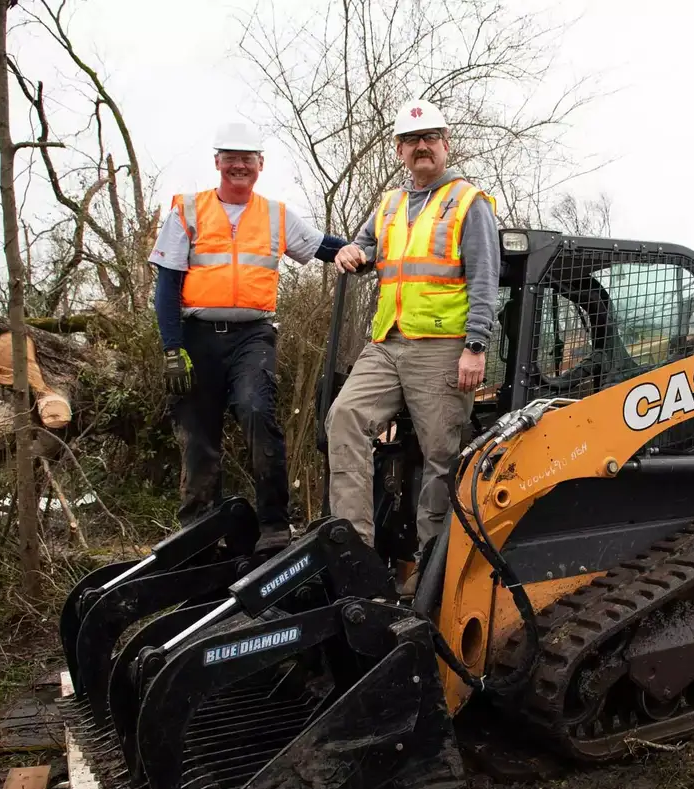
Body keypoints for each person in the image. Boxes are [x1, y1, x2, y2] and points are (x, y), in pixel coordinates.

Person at [149, 121, 349, 553]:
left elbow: (322, 247)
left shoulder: (275, 215)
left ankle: (274, 525)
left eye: (247, 159)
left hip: (252, 336)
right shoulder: (187, 210)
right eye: (230, 158)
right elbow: (166, 284)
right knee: (199, 435)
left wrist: (364, 250)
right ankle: (198, 530)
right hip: (196, 335)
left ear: (260, 165)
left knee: (257, 411)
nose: (238, 166)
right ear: (217, 162)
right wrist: (171, 348)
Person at [326, 98, 500, 582]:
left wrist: (476, 346)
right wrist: (353, 253)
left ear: (445, 145)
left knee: (440, 458)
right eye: (410, 141)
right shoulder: (389, 204)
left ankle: (432, 572)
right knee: (344, 417)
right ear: (399, 151)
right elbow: (363, 244)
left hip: (443, 349)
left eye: (429, 139)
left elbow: (485, 279)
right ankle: (354, 550)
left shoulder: (469, 202)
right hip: (387, 341)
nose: (421, 147)